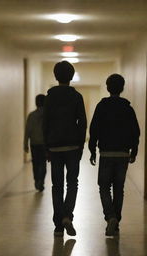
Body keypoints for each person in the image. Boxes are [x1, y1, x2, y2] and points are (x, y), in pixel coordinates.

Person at [89, 74, 140, 236]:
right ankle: (115, 221)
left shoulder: (101, 106)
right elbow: (135, 132)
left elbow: (94, 129)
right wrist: (134, 151)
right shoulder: (128, 108)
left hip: (106, 153)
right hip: (122, 154)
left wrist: (92, 150)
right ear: (122, 88)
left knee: (104, 186)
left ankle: (110, 216)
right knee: (119, 188)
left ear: (107, 87)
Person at [43, 61, 87, 237]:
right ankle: (67, 215)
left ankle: (58, 226)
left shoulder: (49, 97)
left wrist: (47, 147)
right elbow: (82, 123)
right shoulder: (77, 97)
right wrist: (81, 145)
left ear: (55, 76)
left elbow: (45, 123)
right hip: (72, 146)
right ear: (71, 76)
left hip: (54, 147)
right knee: (72, 183)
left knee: (57, 185)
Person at [24, 94, 47, 192]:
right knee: (43, 163)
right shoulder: (47, 115)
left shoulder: (31, 115)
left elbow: (27, 131)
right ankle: (41, 181)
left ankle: (37, 180)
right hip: (45, 144)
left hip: (34, 144)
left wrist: (25, 143)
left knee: (35, 163)